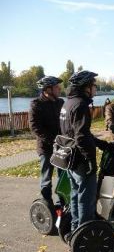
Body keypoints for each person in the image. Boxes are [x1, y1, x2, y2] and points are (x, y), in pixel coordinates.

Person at [60, 70, 112, 235]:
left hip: (70, 158)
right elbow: (81, 136)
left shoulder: (68, 103)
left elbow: (76, 133)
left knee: (75, 194)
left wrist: (100, 144)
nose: (95, 88)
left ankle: (75, 228)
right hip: (81, 160)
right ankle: (85, 232)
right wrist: (90, 159)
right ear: (86, 87)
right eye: (94, 85)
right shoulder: (81, 105)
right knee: (86, 198)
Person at [29, 76, 64, 208]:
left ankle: (62, 203)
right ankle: (47, 205)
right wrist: (52, 141)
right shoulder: (36, 104)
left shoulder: (60, 102)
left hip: (61, 147)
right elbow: (35, 128)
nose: (59, 89)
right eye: (56, 87)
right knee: (46, 179)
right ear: (47, 89)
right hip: (46, 148)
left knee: (63, 177)